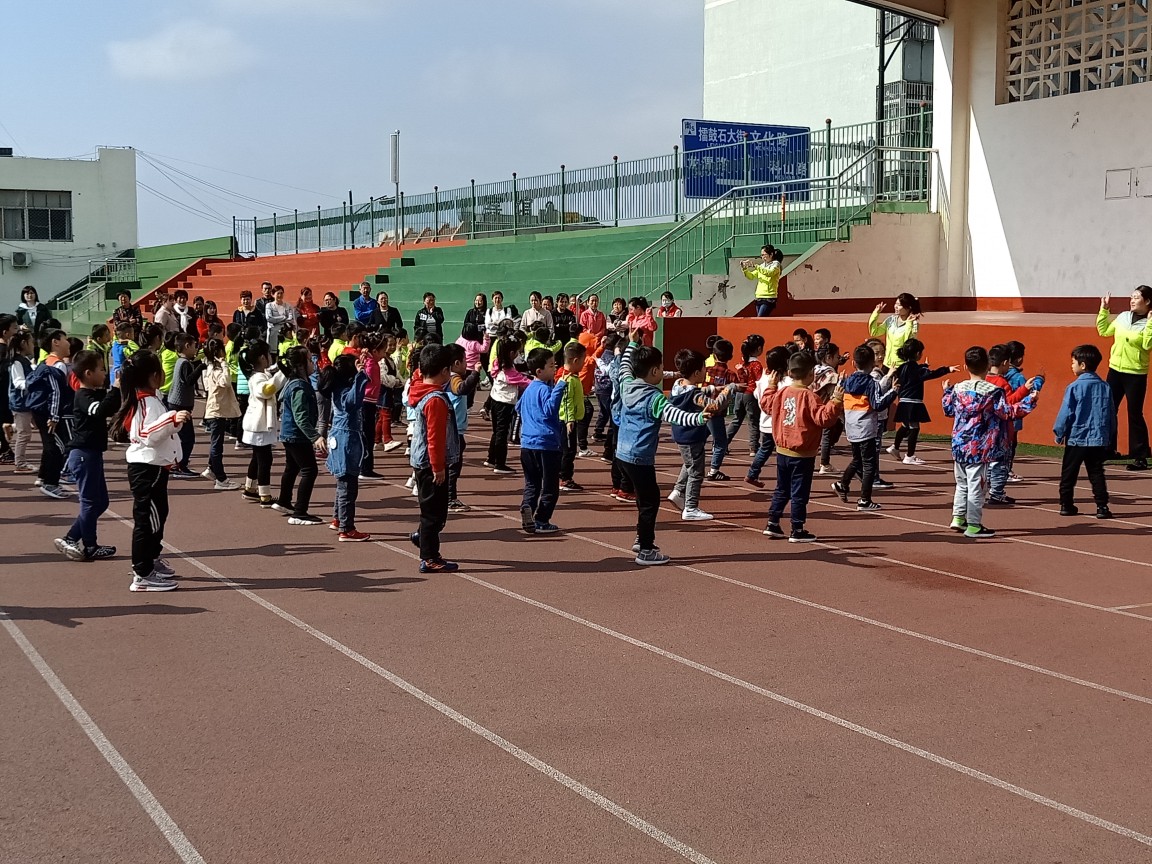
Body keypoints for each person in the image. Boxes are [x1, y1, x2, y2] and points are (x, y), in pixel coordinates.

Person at [615, 335, 709, 564]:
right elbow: (676, 416)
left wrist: (632, 343)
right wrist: (700, 418)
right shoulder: (654, 397)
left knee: (643, 499)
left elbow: (625, 365)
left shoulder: (627, 384)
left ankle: (641, 538)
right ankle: (646, 550)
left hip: (622, 454)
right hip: (640, 456)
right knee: (650, 502)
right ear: (655, 371)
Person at [942, 346, 1039, 539]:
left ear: (965, 366)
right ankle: (974, 525)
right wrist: (1030, 401)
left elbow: (948, 410)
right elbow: (1007, 412)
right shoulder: (993, 392)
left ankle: (958, 517)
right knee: (977, 486)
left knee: (962, 483)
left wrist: (946, 391)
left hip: (959, 444)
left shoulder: (957, 388)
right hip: (980, 446)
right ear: (987, 366)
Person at [112, 350, 184, 591]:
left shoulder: (148, 399)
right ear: (154, 376)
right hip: (146, 469)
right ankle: (142, 573)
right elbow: (146, 433)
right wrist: (173, 419)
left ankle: (151, 559)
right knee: (147, 520)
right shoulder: (147, 402)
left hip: (155, 467)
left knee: (159, 514)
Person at [762, 352, 845, 542]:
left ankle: (773, 522)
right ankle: (797, 528)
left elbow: (766, 405)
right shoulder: (810, 396)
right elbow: (824, 418)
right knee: (799, 492)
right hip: (803, 454)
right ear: (811, 374)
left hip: (782, 451)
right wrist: (836, 400)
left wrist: (771, 386)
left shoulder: (782, 392)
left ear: (790, 372)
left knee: (782, 488)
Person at [51, 349, 120, 561]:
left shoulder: (94, 394)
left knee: (101, 502)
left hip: (93, 453)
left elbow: (111, 406)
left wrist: (120, 389)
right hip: (83, 454)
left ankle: (71, 537)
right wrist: (116, 389)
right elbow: (100, 410)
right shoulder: (83, 396)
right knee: (90, 501)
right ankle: (89, 545)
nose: (105, 373)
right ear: (88, 373)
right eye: (101, 369)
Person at [669, 348, 737, 521]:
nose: (706, 371)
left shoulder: (678, 384)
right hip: (691, 435)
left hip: (681, 433)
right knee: (696, 472)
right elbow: (713, 406)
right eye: (704, 369)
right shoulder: (694, 395)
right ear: (697, 372)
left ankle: (678, 491)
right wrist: (728, 389)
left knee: (689, 463)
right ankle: (690, 507)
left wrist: (714, 388)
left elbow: (692, 392)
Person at [409, 344, 459, 570]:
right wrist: (438, 467)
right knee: (434, 513)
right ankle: (429, 557)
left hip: (423, 460)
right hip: (431, 463)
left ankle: (423, 537)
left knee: (433, 510)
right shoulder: (435, 400)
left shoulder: (419, 388)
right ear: (445, 371)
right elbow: (435, 437)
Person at [832, 345, 899, 512]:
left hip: (851, 427)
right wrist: (893, 392)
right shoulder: (870, 383)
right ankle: (865, 500)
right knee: (869, 465)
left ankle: (842, 484)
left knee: (857, 460)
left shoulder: (847, 380)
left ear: (853, 363)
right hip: (866, 428)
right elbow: (877, 404)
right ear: (872, 364)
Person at [1054, 344, 1114, 519]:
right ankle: (1102, 506)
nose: (1071, 365)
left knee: (1069, 472)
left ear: (1082, 365)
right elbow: (1111, 414)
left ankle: (1066, 503)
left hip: (1077, 437)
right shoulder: (1105, 387)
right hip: (1097, 438)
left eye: (1073, 362)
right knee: (1096, 472)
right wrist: (1110, 435)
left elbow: (1066, 412)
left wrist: (1059, 432)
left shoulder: (1074, 387)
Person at [1097, 287, 1152, 471]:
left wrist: (1150, 324)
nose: (1132, 300)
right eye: (1131, 297)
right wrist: (1104, 310)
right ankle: (1108, 450)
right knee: (1109, 409)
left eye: (1136, 297)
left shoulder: (1149, 322)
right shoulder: (1123, 317)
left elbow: (1147, 345)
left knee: (1135, 414)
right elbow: (1104, 331)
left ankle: (1140, 457)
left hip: (1135, 373)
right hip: (1115, 370)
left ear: (1147, 301)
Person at [517, 347, 570, 533]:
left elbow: (518, 407)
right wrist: (559, 388)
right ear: (539, 371)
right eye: (551, 365)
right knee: (550, 486)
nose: (554, 368)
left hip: (527, 444)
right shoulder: (546, 390)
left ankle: (527, 506)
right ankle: (541, 519)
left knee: (532, 483)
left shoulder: (528, 389)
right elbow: (549, 410)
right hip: (546, 444)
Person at [272, 346, 325, 525]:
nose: (313, 363)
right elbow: (300, 416)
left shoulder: (295, 382)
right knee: (310, 470)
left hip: (290, 434)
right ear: (301, 365)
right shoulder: (299, 387)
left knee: (292, 467)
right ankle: (300, 512)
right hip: (296, 435)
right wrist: (315, 437)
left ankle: (284, 501)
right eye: (310, 360)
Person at [322, 354, 370, 541]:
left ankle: (338, 518)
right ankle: (346, 528)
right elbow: (352, 402)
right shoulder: (343, 391)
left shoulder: (339, 387)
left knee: (342, 483)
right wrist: (360, 375)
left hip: (340, 436)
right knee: (348, 486)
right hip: (346, 439)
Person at [888, 338, 958, 464]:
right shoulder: (917, 369)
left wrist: (924, 367)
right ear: (917, 354)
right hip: (913, 402)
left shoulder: (902, 367)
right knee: (914, 428)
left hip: (903, 401)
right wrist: (947, 369)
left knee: (905, 425)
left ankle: (895, 447)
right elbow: (930, 374)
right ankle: (909, 456)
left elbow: (916, 373)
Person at [26, 329, 74, 499]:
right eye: (65, 339)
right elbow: (56, 392)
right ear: (56, 342)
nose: (69, 343)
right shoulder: (58, 365)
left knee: (49, 445)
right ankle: (50, 483)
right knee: (58, 447)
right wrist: (54, 416)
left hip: (40, 411)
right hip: (49, 413)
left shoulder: (44, 362)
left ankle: (43, 477)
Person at [240, 340, 286, 507]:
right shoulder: (258, 378)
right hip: (259, 425)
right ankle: (264, 495)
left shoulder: (260, 374)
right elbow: (267, 390)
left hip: (257, 424)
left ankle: (250, 488)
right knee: (265, 459)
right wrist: (283, 374)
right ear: (262, 357)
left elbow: (270, 372)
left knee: (257, 457)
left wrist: (279, 367)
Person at [745, 345, 791, 487]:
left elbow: (756, 394)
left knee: (764, 449)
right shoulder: (786, 382)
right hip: (779, 425)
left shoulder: (763, 379)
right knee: (784, 454)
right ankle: (784, 482)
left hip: (765, 423)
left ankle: (752, 473)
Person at [484, 335, 529, 475]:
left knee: (497, 431)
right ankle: (500, 463)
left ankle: (491, 458)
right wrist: (537, 382)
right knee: (502, 433)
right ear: (511, 353)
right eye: (517, 352)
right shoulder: (508, 371)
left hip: (495, 400)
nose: (518, 354)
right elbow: (523, 381)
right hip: (504, 404)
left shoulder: (498, 363)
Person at [444, 342, 481, 512]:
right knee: (453, 466)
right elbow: (461, 389)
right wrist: (475, 374)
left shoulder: (445, 378)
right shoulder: (454, 378)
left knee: (450, 464)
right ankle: (450, 498)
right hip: (453, 430)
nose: (467, 364)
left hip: (453, 428)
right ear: (457, 363)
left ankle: (446, 496)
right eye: (465, 361)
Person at [201, 338, 241, 490]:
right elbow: (225, 382)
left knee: (216, 443)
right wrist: (224, 364)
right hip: (216, 411)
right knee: (217, 446)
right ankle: (221, 479)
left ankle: (211, 468)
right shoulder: (216, 370)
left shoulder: (209, 368)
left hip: (216, 409)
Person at [165, 334, 204, 479]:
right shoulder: (185, 364)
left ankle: (178, 463)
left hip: (177, 403)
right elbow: (189, 380)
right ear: (187, 346)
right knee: (187, 438)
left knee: (180, 437)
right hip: (180, 405)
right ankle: (181, 465)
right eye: (194, 346)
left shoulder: (181, 361)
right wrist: (201, 367)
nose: (195, 349)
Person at [725, 335, 765, 453]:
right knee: (753, 421)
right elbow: (758, 380)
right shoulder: (756, 365)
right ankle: (753, 446)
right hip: (750, 394)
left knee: (736, 419)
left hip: (740, 393)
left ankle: (723, 443)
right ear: (759, 349)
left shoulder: (742, 361)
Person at [557, 341, 588, 493]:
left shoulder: (572, 378)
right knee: (568, 451)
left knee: (568, 450)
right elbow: (567, 400)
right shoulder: (568, 379)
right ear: (575, 361)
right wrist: (569, 419)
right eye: (583, 360)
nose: (584, 364)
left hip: (571, 418)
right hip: (567, 420)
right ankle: (565, 478)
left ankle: (563, 475)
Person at [704, 338, 735, 481]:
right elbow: (740, 387)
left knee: (701, 439)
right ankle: (713, 471)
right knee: (721, 443)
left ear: (714, 354)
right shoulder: (730, 374)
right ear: (730, 356)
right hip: (716, 413)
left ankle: (695, 465)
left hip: (703, 408)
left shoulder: (707, 370)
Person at [868, 293, 922, 370]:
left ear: (908, 307)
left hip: (901, 366)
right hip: (887, 364)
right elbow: (874, 332)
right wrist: (876, 313)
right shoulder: (891, 320)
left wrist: (909, 323)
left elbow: (908, 343)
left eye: (899, 305)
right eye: (896, 304)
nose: (896, 306)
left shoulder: (913, 324)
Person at [7, 331, 36, 473]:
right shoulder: (17, 362)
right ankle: (20, 463)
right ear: (24, 343)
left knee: (27, 428)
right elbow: (18, 382)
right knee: (24, 434)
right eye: (31, 342)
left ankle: (12, 427)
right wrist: (33, 382)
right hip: (20, 403)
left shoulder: (24, 360)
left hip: (26, 402)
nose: (33, 345)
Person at [741, 246, 782, 317]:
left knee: (760, 318)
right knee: (761, 320)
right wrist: (744, 269)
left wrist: (755, 266)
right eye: (761, 255)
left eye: (764, 255)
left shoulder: (776, 264)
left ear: (771, 254)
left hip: (769, 297)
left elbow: (769, 273)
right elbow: (751, 276)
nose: (762, 257)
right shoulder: (762, 266)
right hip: (759, 296)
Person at [264, 285, 296, 356]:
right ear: (273, 294)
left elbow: (290, 319)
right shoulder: (269, 306)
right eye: (278, 293)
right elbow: (269, 318)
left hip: (286, 335)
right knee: (273, 355)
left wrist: (277, 320)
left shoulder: (288, 306)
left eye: (281, 293)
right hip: (273, 335)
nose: (280, 295)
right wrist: (283, 317)